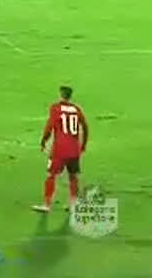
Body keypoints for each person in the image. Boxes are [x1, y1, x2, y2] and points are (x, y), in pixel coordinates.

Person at [33, 85, 89, 213]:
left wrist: (43, 141)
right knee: (73, 176)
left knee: (51, 175)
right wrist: (83, 144)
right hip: (74, 149)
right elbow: (85, 127)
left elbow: (49, 127)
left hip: (60, 149)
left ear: (60, 94)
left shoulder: (56, 108)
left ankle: (46, 204)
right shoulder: (76, 109)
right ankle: (73, 203)